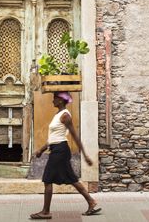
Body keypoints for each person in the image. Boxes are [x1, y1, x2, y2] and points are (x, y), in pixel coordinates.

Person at [30, 91, 101, 219]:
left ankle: (46, 212)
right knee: (71, 178)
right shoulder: (58, 114)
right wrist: (41, 150)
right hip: (57, 149)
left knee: (47, 179)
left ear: (61, 101)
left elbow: (75, 136)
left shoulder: (65, 116)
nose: (53, 101)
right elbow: (54, 137)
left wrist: (85, 155)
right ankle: (91, 202)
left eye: (55, 98)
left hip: (60, 151)